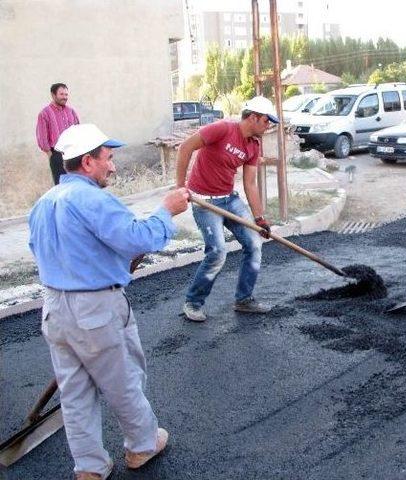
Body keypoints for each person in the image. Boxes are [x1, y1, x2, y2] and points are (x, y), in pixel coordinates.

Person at [29, 124, 189, 480]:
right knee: (124, 381)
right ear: (88, 162)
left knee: (74, 394)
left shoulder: (43, 203)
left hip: (54, 308)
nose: (113, 167)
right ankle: (142, 446)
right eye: (108, 159)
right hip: (96, 310)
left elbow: (40, 252)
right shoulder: (92, 199)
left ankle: (89, 467)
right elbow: (138, 238)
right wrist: (166, 211)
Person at [175, 96, 279, 322]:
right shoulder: (222, 129)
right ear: (253, 117)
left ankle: (244, 300)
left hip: (229, 199)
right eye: (266, 120)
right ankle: (193, 303)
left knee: (254, 243)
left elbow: (250, 183)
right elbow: (185, 148)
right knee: (217, 252)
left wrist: (260, 218)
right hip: (205, 201)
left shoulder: (254, 144)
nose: (268, 125)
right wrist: (179, 187)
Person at [36, 83, 81, 185]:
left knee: (76, 183)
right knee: (61, 185)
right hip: (57, 154)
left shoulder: (71, 111)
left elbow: (78, 130)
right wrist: (50, 154)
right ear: (53, 95)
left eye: (66, 95)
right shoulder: (45, 113)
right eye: (61, 94)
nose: (65, 97)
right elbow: (42, 136)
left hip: (74, 153)